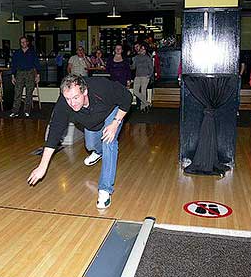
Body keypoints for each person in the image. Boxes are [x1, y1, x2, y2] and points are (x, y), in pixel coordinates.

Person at [27, 75, 132, 209]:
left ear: (85, 91)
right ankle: (98, 152)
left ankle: (105, 191)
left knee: (108, 142)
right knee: (91, 145)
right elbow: (54, 133)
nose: (72, 103)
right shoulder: (65, 103)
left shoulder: (101, 87)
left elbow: (127, 97)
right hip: (92, 121)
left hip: (112, 112)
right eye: (68, 99)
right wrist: (42, 166)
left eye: (76, 97)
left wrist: (115, 123)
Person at [10, 36, 40, 118]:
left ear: (27, 42)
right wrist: (13, 76)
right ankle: (15, 111)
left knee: (29, 93)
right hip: (19, 73)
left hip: (30, 73)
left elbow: (37, 63)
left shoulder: (32, 52)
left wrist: (38, 75)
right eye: (21, 42)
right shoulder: (17, 53)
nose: (23, 43)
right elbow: (14, 64)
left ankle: (27, 111)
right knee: (17, 92)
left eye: (24, 42)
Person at [131, 44, 154, 112]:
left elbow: (151, 68)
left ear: (146, 50)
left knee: (143, 91)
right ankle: (147, 104)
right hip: (137, 76)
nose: (142, 50)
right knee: (135, 91)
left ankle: (142, 107)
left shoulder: (147, 57)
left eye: (144, 49)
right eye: (141, 49)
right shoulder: (136, 57)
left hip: (145, 76)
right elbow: (133, 67)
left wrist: (149, 75)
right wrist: (130, 63)